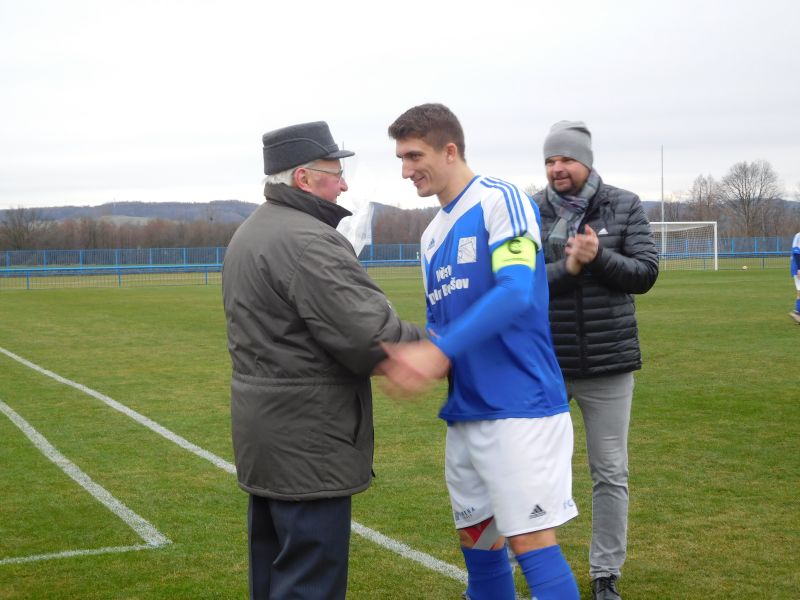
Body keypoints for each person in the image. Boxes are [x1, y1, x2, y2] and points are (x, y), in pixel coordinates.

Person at [382, 103, 580, 600]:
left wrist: (437, 351)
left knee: (530, 539)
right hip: (466, 411)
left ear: (450, 151)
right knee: (479, 543)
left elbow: (516, 291)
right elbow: (442, 326)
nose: (406, 171)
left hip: (519, 407)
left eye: (414, 156)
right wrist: (421, 352)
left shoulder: (501, 200)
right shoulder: (429, 238)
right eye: (401, 159)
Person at [221, 121, 422, 600]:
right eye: (336, 172)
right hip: (308, 444)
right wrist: (447, 340)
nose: (345, 183)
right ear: (304, 179)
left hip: (268, 437)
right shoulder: (309, 240)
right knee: (309, 581)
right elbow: (375, 339)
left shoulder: (251, 232)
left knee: (274, 574)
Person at [531, 121, 659, 600]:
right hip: (547, 363)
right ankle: (522, 563)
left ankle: (606, 573)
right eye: (549, 160)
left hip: (610, 365)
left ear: (585, 161)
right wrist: (571, 266)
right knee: (532, 469)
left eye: (564, 159)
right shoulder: (530, 209)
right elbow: (523, 280)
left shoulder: (623, 205)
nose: (556, 168)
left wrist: (598, 258)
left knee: (610, 473)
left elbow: (645, 274)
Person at [790, 230, 800, 324]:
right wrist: (799, 269)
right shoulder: (798, 236)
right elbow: (796, 252)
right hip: (797, 268)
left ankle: (797, 313)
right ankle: (797, 313)